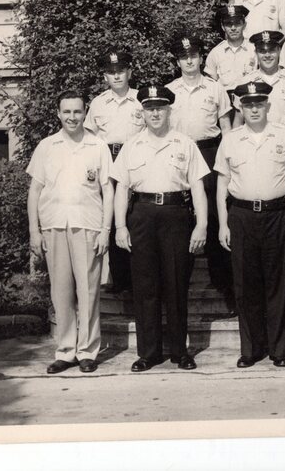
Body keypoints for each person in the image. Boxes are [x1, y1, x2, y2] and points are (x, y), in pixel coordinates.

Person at [215, 81, 285, 368]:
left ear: (268, 106)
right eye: (248, 104)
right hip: (241, 216)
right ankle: (251, 348)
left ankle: (279, 349)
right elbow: (222, 182)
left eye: (259, 104)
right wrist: (223, 224)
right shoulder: (231, 139)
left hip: (277, 216)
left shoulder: (284, 135)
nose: (254, 109)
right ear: (241, 108)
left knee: (277, 283)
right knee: (246, 285)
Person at [111, 85, 209, 372]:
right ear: (142, 112)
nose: (155, 113)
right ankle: (149, 353)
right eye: (150, 108)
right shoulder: (132, 145)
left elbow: (199, 188)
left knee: (176, 284)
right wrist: (119, 226)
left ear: (169, 110)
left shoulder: (184, 143)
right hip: (141, 216)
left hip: (176, 214)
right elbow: (121, 189)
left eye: (160, 108)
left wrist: (201, 225)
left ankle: (180, 351)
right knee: (145, 287)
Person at [27, 90, 114, 374]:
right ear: (58, 113)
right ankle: (65, 351)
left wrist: (105, 231)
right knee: (60, 291)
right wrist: (34, 232)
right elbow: (35, 191)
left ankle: (87, 351)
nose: (72, 117)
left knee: (88, 291)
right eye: (66, 112)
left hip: (87, 224)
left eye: (77, 112)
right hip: (54, 225)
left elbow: (108, 190)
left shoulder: (97, 145)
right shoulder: (46, 146)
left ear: (85, 112)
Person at [166, 36, 236, 314]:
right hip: (180, 155)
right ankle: (182, 288)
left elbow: (226, 126)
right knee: (184, 218)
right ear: (177, 61)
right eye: (184, 57)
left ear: (201, 58)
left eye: (194, 55)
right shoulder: (169, 91)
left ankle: (226, 287)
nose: (189, 61)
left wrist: (228, 159)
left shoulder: (215, 88)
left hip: (210, 152)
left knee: (218, 217)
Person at [84, 50, 144, 294]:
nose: (117, 76)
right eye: (111, 72)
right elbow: (88, 137)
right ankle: (119, 279)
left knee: (134, 215)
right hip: (108, 159)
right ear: (105, 76)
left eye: (121, 71)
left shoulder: (142, 99)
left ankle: (139, 276)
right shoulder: (98, 103)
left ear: (129, 72)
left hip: (136, 158)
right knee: (109, 212)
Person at [233, 30, 285, 154]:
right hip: (254, 145)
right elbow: (238, 121)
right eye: (262, 51)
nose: (267, 55)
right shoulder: (246, 82)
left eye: (271, 50)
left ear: (279, 51)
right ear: (256, 53)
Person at [204, 5, 258, 100]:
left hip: (249, 100)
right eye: (229, 24)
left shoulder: (254, 50)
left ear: (244, 25)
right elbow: (210, 84)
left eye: (237, 23)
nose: (233, 28)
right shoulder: (216, 53)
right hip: (224, 101)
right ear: (223, 27)